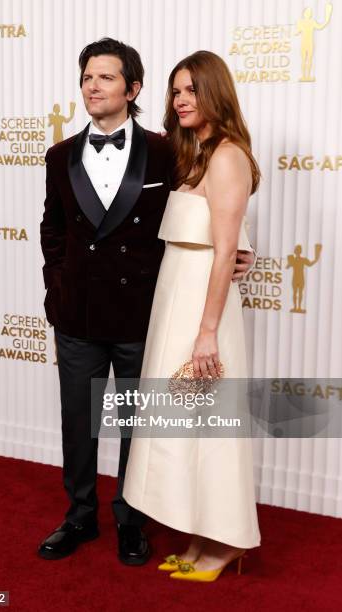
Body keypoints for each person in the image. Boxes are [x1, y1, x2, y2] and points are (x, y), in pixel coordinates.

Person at [39, 38, 255, 566]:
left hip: (144, 316)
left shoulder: (168, 150)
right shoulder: (59, 155)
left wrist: (238, 253)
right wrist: (57, 290)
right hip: (78, 315)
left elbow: (211, 218)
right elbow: (53, 229)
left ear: (132, 89)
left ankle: (131, 521)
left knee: (141, 424)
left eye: (106, 77)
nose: (93, 85)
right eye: (87, 76)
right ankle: (79, 516)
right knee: (78, 419)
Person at [123, 50, 261, 581]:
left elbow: (224, 251)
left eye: (191, 91)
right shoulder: (195, 152)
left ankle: (226, 545)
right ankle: (203, 535)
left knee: (211, 424)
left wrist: (207, 333)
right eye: (176, 91)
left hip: (203, 310)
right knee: (190, 424)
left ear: (214, 93)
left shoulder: (227, 155)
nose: (181, 100)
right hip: (175, 298)